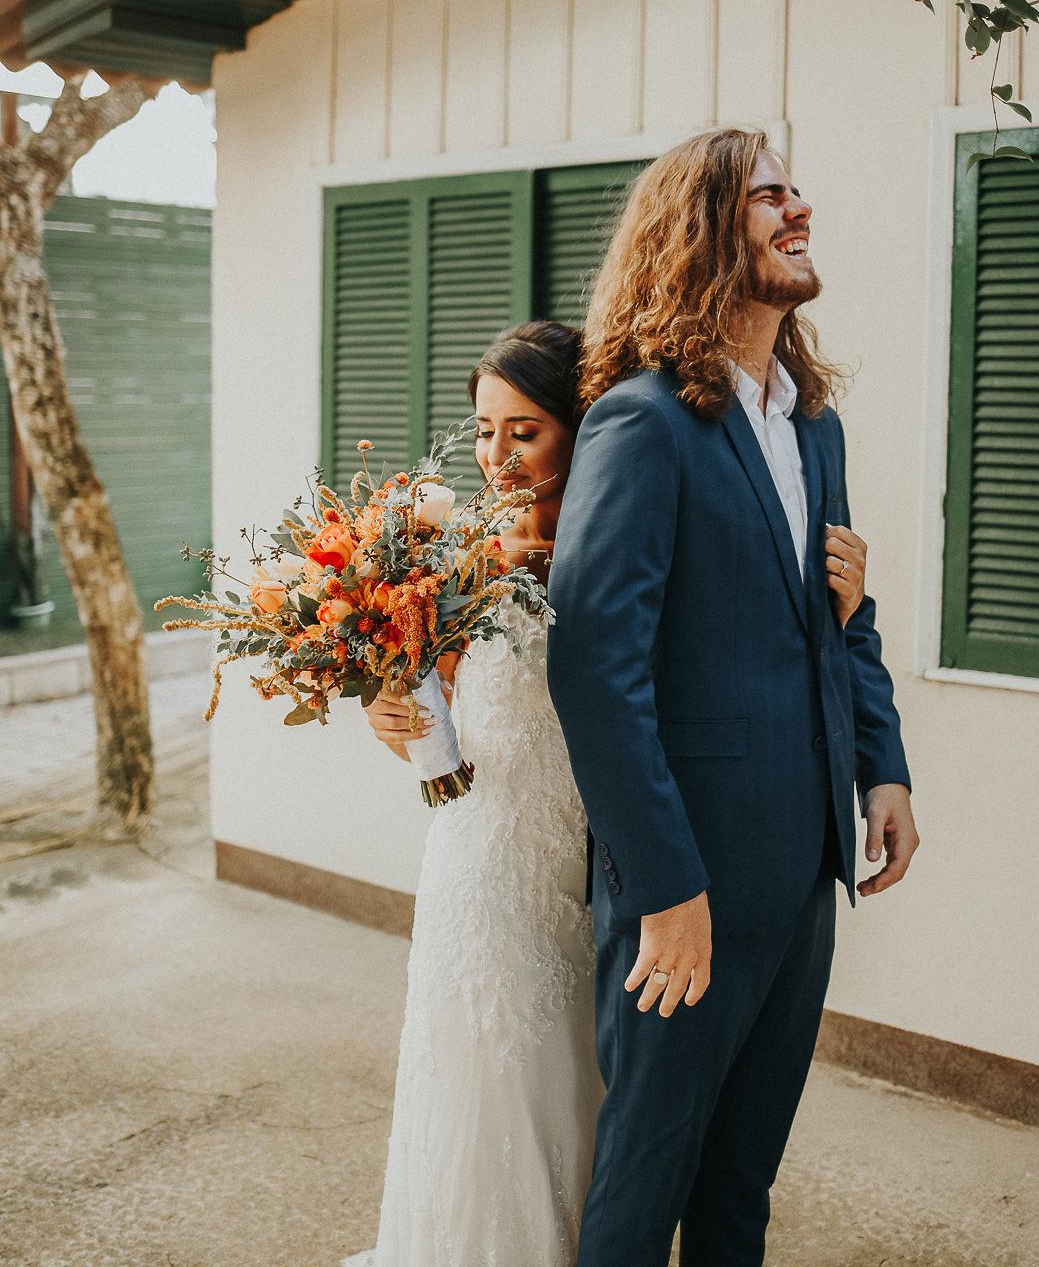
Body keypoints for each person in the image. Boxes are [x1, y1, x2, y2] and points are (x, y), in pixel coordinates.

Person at [546, 127, 920, 1267]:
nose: (795, 207)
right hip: (688, 883)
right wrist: (663, 888)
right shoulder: (641, 420)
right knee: (645, 1173)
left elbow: (835, 616)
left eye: (796, 188)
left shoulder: (813, 423)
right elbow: (593, 667)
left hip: (805, 868)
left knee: (739, 1182)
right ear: (703, 228)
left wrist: (883, 762)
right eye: (767, 194)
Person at [342, 320, 602, 1267]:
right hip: (474, 846)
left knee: (569, 1058)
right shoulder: (453, 547)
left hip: (581, 837)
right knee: (475, 1053)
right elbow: (435, 685)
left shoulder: (616, 541)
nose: (496, 456)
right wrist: (388, 701)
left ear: (580, 425)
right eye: (484, 430)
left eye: (523, 430)